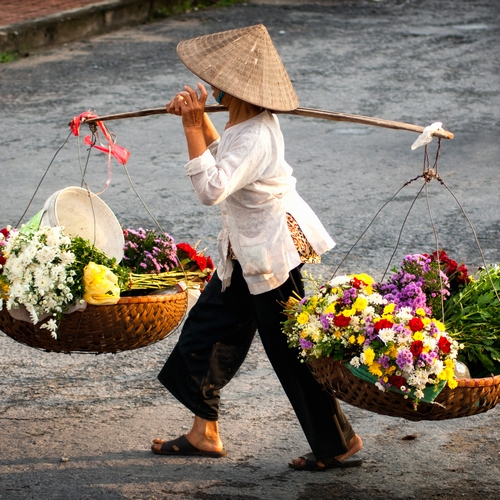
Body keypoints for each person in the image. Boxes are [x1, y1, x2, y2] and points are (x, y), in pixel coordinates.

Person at [151, 23, 363, 471]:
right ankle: (203, 431)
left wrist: (190, 127)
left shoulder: (256, 134)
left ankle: (337, 443)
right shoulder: (243, 123)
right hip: (242, 254)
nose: (213, 90)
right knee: (206, 333)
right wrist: (197, 123)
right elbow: (223, 151)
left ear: (239, 91)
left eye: (219, 86)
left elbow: (212, 189)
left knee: (290, 352)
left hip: (269, 256)